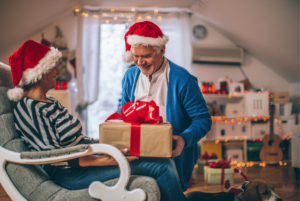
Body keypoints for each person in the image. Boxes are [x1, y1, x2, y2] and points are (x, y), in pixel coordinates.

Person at [7, 40, 189, 201]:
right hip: (68, 174)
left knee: (161, 160)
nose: (57, 71)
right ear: (40, 72)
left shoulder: (50, 102)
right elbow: (53, 157)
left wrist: (110, 147)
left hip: (83, 162)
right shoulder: (29, 107)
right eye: (53, 67)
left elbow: (75, 142)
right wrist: (104, 160)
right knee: (161, 167)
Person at [121, 21, 212, 192]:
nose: (139, 62)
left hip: (173, 159)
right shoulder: (129, 76)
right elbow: (123, 110)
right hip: (137, 157)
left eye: (146, 56)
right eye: (135, 56)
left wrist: (185, 138)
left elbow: (203, 119)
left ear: (161, 50)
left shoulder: (182, 79)